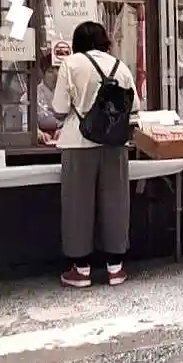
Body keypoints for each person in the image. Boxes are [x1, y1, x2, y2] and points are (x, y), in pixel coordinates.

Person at [51, 21, 141, 288]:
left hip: (78, 142)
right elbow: (135, 105)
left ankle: (81, 270)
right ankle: (116, 268)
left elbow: (59, 108)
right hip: (115, 143)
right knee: (116, 203)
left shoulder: (71, 64)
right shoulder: (120, 66)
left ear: (77, 42)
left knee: (78, 205)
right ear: (105, 41)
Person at [36, 51, 62, 145]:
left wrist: (65, 130)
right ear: (43, 74)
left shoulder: (68, 93)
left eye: (58, 70)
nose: (56, 75)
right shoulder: (32, 94)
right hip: (40, 141)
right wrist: (36, 132)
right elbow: (25, 123)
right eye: (50, 71)